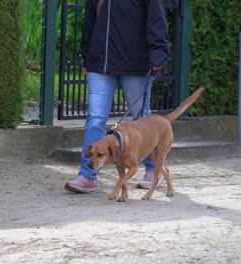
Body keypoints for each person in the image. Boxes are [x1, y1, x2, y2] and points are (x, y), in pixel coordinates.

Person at [65, 0, 171, 193]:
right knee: (95, 118)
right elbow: (90, 22)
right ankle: (87, 175)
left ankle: (153, 170)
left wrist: (159, 51)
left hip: (135, 65)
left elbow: (156, 17)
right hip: (100, 64)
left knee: (142, 119)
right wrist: (85, 56)